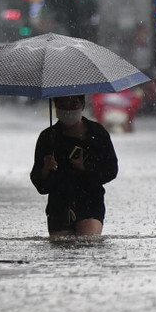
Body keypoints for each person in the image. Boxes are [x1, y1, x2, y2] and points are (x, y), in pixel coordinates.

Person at [30, 95, 118, 236]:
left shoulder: (97, 133)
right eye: (63, 104)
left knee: (88, 244)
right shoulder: (48, 137)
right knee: (62, 251)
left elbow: (111, 170)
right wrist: (46, 169)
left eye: (73, 104)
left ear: (82, 105)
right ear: (55, 105)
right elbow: (41, 185)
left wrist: (86, 168)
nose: (68, 109)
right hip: (59, 205)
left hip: (90, 201)